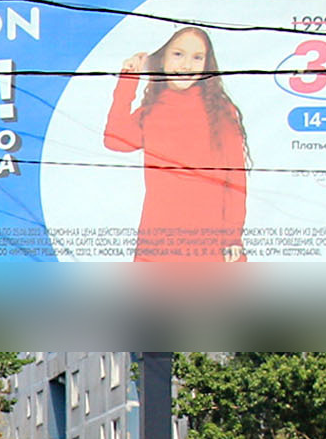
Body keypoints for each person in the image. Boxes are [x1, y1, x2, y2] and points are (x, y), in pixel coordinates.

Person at [102, 25, 249, 263]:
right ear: (162, 59)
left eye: (197, 57)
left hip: (209, 240)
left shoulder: (220, 111)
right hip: (158, 239)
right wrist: (128, 78)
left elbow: (235, 178)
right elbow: (114, 139)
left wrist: (233, 236)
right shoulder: (152, 110)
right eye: (178, 54)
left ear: (206, 64)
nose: (186, 65)